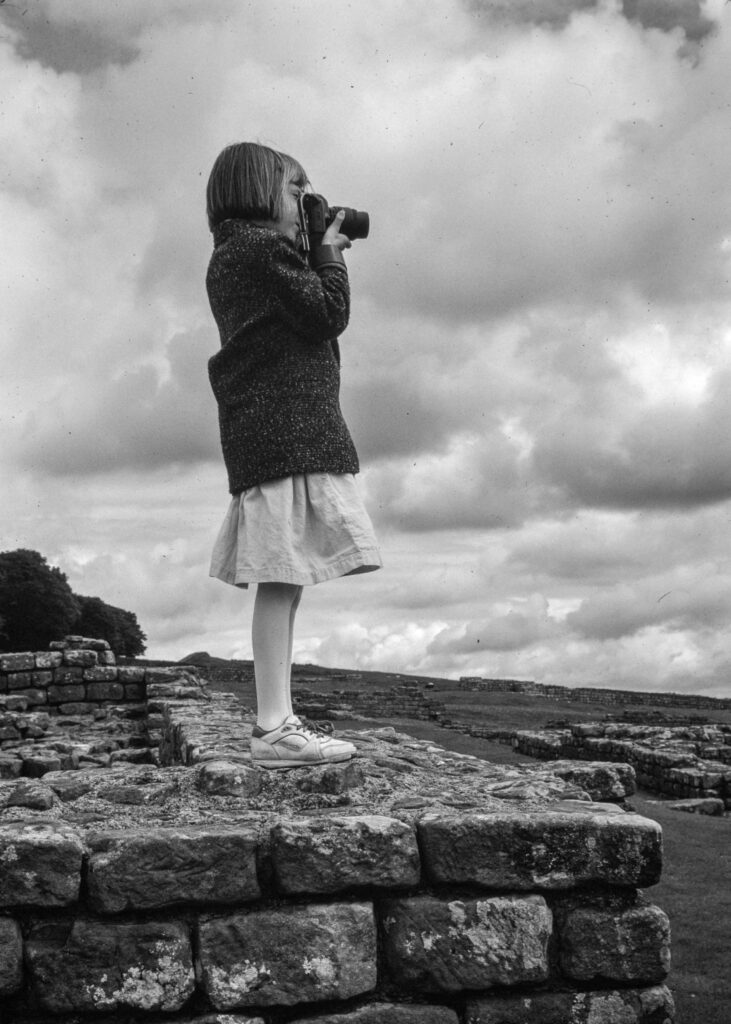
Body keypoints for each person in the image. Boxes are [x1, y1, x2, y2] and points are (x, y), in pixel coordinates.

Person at [205, 141, 382, 770]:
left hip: (278, 432)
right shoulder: (257, 249)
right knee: (281, 579)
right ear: (255, 191)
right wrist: (329, 254)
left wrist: (313, 251)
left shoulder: (240, 255)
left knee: (288, 577)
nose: (306, 201)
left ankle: (276, 719)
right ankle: (273, 727)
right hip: (284, 433)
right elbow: (327, 313)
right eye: (295, 188)